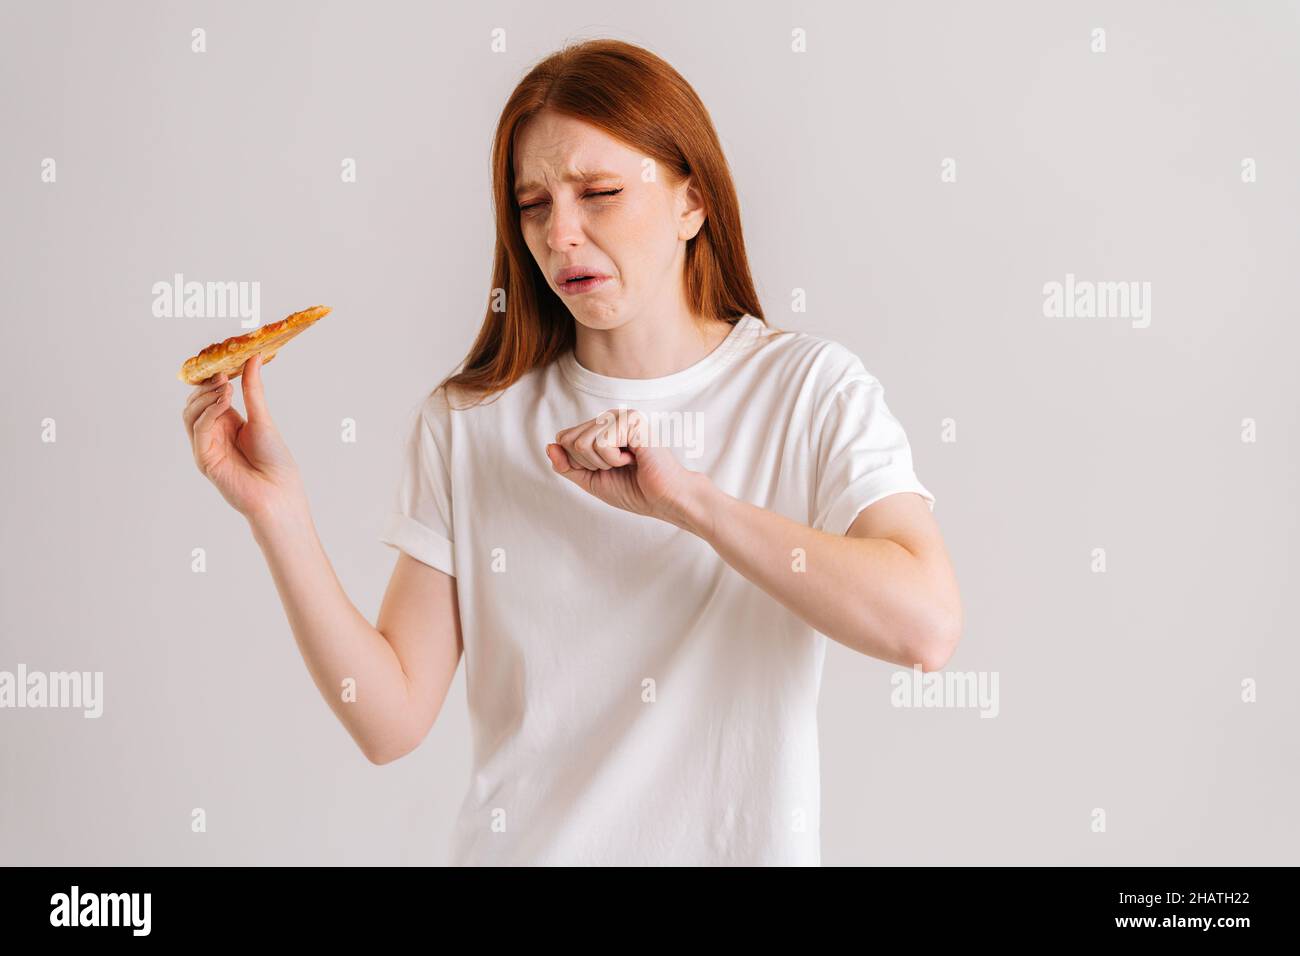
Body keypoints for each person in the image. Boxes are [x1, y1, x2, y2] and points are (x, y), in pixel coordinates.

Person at [181, 39, 961, 866]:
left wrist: (688, 502)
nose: (561, 234)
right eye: (532, 204)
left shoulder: (809, 390)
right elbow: (388, 721)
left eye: (600, 194)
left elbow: (926, 626)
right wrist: (279, 512)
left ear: (692, 203)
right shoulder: (470, 420)